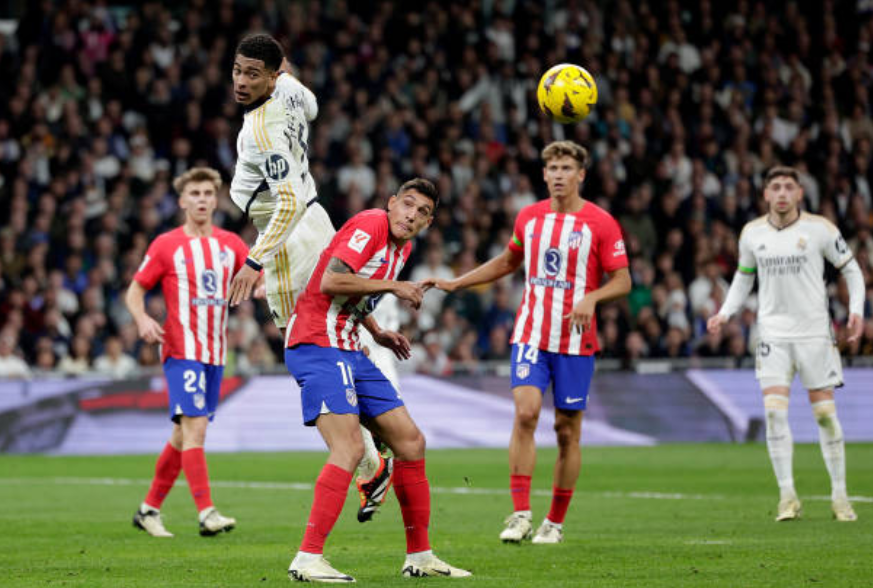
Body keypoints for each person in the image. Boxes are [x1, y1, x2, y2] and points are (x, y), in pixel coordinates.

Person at [424, 141, 631, 544]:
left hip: (575, 342)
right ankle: (520, 515)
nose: (558, 175)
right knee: (525, 414)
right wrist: (457, 282)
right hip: (531, 335)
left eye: (566, 168)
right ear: (543, 174)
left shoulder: (601, 223)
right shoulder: (529, 218)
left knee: (566, 432)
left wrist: (592, 297)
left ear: (581, 174)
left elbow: (623, 280)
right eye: (552, 167)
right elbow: (507, 261)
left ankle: (554, 522)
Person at [227, 32, 390, 519]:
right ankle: (380, 423)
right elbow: (314, 108)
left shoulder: (261, 131)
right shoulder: (294, 89)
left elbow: (287, 204)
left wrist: (255, 259)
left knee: (304, 345)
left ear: (272, 75)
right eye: (237, 70)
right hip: (318, 220)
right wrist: (287, 77)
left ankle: (369, 462)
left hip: (288, 234)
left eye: (253, 74)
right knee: (335, 330)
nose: (241, 81)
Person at [284, 179, 471, 582]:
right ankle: (307, 558)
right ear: (391, 203)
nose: (412, 215)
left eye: (422, 212)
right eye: (408, 204)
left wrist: (376, 331)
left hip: (350, 345)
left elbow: (354, 295)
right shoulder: (371, 224)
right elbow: (331, 281)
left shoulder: (402, 249)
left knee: (410, 442)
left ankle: (420, 556)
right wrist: (394, 286)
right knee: (350, 448)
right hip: (317, 342)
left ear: (428, 223)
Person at [707, 166, 865, 522]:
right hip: (773, 335)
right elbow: (743, 278)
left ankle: (840, 496)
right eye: (775, 187)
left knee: (825, 415)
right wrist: (725, 313)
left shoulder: (820, 229)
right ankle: (787, 497)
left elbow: (852, 271)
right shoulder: (752, 234)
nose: (782, 193)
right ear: (765, 194)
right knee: (774, 413)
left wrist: (856, 310)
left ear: (799, 194)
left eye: (789, 187)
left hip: (814, 334)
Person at [126, 167, 248, 537]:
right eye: (194, 194)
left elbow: (256, 281)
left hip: (215, 354)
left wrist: (262, 289)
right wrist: (142, 319)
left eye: (208, 193)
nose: (201, 200)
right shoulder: (166, 245)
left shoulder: (231, 244)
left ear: (216, 200)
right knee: (195, 429)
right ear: (182, 201)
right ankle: (207, 512)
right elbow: (135, 290)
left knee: (182, 435)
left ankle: (148, 510)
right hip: (182, 351)